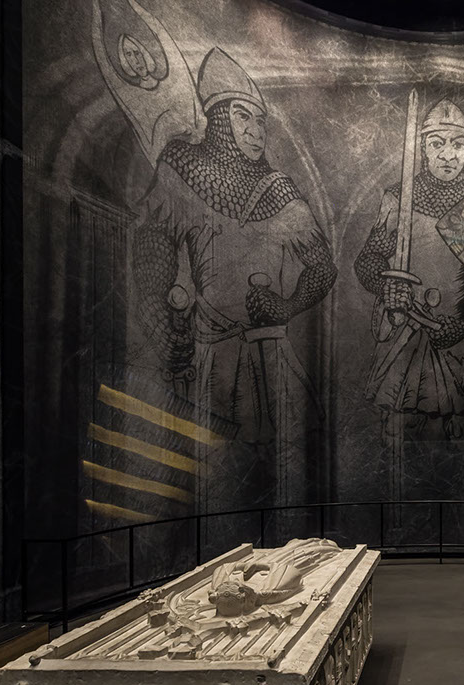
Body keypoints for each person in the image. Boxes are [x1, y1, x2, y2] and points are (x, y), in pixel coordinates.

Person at [131, 47, 336, 445]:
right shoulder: (182, 168)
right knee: (216, 455)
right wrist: (158, 317)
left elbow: (322, 268)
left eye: (261, 121)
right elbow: (154, 245)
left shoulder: (280, 190)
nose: (256, 131)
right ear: (219, 119)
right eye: (243, 117)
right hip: (211, 352)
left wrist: (288, 305)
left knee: (281, 454)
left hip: (271, 350)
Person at [355, 100, 464, 441]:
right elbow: (368, 260)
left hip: (457, 337)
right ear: (423, 149)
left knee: (461, 434)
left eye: (458, 144)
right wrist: (385, 287)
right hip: (405, 336)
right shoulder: (399, 199)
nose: (448, 154)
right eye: (437, 143)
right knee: (401, 433)